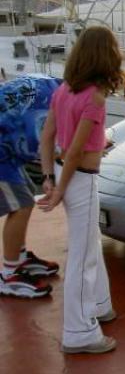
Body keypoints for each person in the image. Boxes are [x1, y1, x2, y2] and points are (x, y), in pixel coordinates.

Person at [38, 26, 122, 354]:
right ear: (106, 57)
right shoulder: (95, 99)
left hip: (64, 173)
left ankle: (100, 304)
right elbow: (75, 151)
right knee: (82, 256)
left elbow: (49, 135)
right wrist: (59, 189)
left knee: (89, 246)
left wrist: (49, 177)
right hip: (81, 179)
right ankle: (80, 331)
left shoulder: (63, 91)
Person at [0, 75, 61, 298]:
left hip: (6, 150)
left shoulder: (50, 86)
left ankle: (19, 256)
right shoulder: (51, 104)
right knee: (21, 205)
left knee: (24, 195)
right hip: (2, 153)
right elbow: (41, 142)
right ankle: (9, 273)